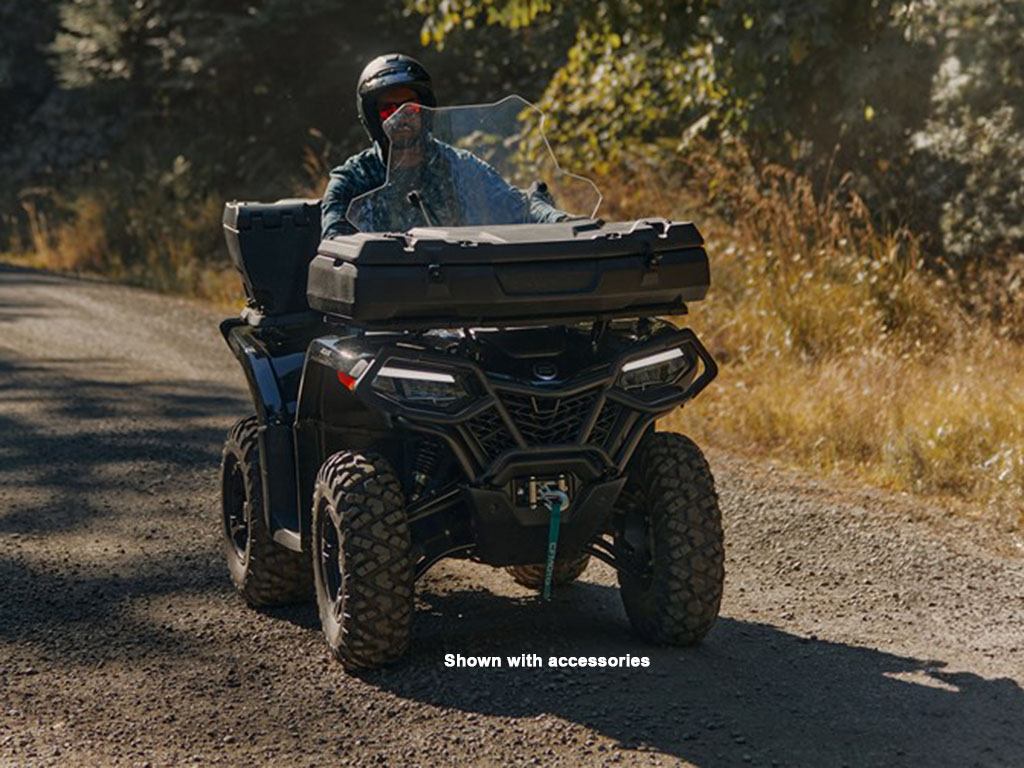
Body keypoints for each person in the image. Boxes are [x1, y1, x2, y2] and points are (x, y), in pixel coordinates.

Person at [321, 53, 567, 238]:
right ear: (373, 118)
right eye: (389, 110)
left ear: (425, 109)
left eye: (411, 107)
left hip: (457, 287)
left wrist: (561, 221)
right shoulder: (352, 181)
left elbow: (519, 206)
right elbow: (335, 244)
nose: (401, 117)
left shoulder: (458, 166)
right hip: (387, 293)